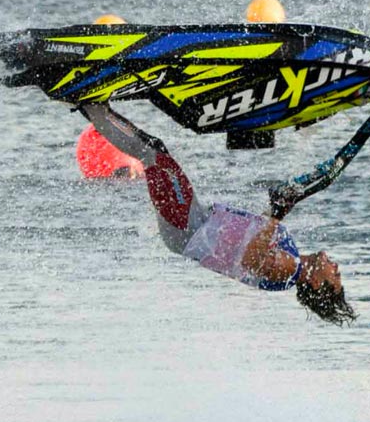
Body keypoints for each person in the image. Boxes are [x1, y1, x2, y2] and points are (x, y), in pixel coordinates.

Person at [79, 102, 356, 325]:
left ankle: (91, 105)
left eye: (336, 277)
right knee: (154, 152)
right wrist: (276, 208)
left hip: (189, 228)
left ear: (318, 284)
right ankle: (94, 107)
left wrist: (277, 215)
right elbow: (252, 241)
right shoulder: (290, 262)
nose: (337, 269)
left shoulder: (289, 270)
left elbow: (252, 258)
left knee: (153, 154)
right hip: (192, 224)